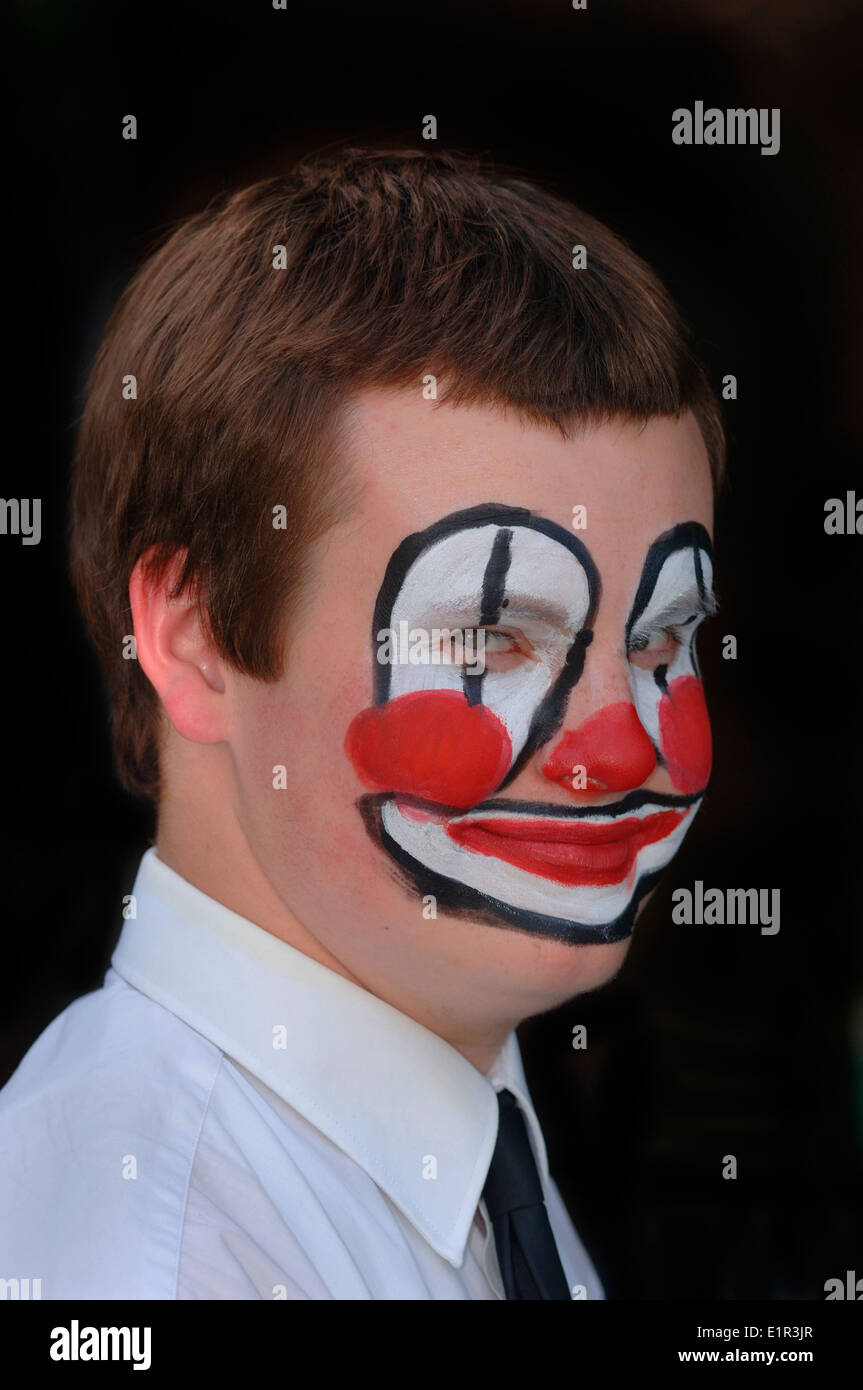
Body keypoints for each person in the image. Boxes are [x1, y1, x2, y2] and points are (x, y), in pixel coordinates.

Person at [0, 147, 724, 1300]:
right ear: (192, 638)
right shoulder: (146, 1260)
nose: (616, 747)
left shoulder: (481, 1135)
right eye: (489, 639)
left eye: (657, 643)